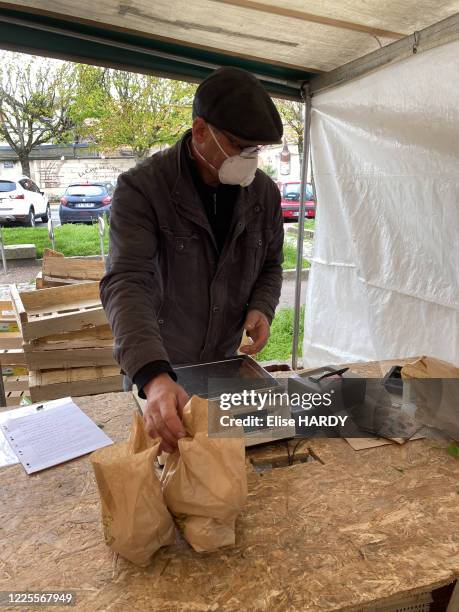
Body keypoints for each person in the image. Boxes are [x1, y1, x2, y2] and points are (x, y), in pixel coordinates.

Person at [100, 66, 284, 452]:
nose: (249, 158)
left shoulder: (262, 194)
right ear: (201, 131)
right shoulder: (143, 189)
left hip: (222, 369)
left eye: (257, 149)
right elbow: (127, 282)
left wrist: (262, 307)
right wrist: (153, 376)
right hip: (161, 370)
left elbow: (270, 263)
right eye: (238, 145)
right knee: (160, 474)